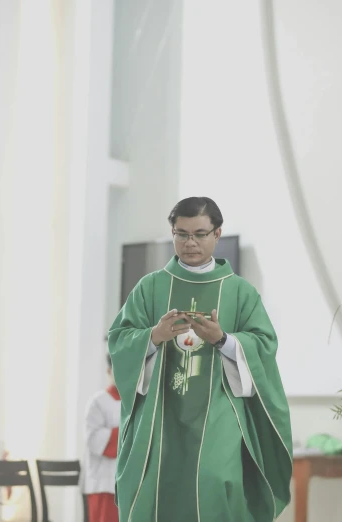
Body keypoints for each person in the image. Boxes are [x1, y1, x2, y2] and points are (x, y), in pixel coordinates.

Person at [108, 196, 292, 522]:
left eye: (199, 234)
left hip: (220, 412)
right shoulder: (150, 288)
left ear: (217, 235)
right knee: (155, 490)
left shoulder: (240, 292)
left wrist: (222, 340)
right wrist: (153, 336)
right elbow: (119, 339)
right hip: (159, 416)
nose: (190, 242)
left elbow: (264, 346)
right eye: (181, 234)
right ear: (173, 234)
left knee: (215, 481)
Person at [82, 353, 121, 522]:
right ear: (109, 371)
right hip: (104, 483)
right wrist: (130, 433)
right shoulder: (98, 402)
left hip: (130, 484)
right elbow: (95, 440)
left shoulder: (139, 401)